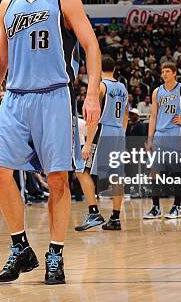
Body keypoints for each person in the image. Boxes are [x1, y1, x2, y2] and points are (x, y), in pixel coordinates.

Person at [0, 0, 101, 285]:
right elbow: (0, 59)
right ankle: (21, 248)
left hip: (54, 95)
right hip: (14, 97)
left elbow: (91, 46)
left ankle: (55, 254)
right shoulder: (7, 4)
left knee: (58, 180)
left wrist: (91, 94)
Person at [143, 62, 181, 220]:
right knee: (154, 172)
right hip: (159, 134)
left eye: (167, 71)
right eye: (162, 71)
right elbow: (153, 116)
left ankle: (177, 206)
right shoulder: (157, 91)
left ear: (174, 74)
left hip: (174, 134)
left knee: (176, 173)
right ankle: (156, 207)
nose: (164, 74)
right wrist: (150, 139)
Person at [74, 56, 128, 231]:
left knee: (82, 170)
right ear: (113, 68)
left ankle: (94, 211)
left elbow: (93, 118)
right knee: (116, 176)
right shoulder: (122, 88)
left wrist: (88, 144)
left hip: (103, 130)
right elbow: (126, 114)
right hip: (118, 132)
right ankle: (115, 218)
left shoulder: (101, 87)